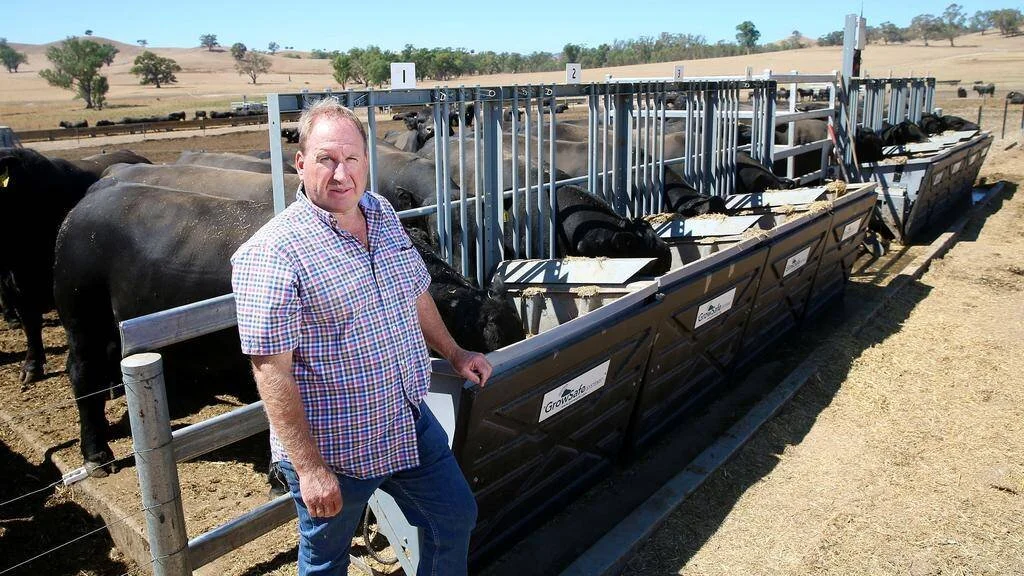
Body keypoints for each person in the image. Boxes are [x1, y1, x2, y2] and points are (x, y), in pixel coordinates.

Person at [231, 98, 491, 575]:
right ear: (300, 163)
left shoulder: (382, 212)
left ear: (367, 161)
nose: (340, 174)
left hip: (404, 420)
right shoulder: (272, 253)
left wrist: (454, 353)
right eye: (326, 159)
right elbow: (272, 371)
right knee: (328, 562)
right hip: (334, 449)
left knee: (455, 517)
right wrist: (309, 470)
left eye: (352, 159)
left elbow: (414, 293)